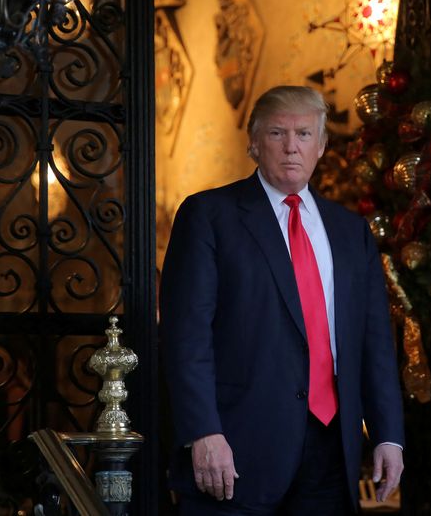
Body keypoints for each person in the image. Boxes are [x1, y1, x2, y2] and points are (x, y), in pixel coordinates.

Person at [160, 85, 405, 515]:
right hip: (233, 451)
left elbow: (374, 342)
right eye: (277, 133)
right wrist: (203, 432)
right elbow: (187, 336)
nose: (291, 147)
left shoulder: (351, 233)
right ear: (253, 143)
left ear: (322, 145)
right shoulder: (209, 216)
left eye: (304, 134)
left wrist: (388, 435)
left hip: (330, 452)